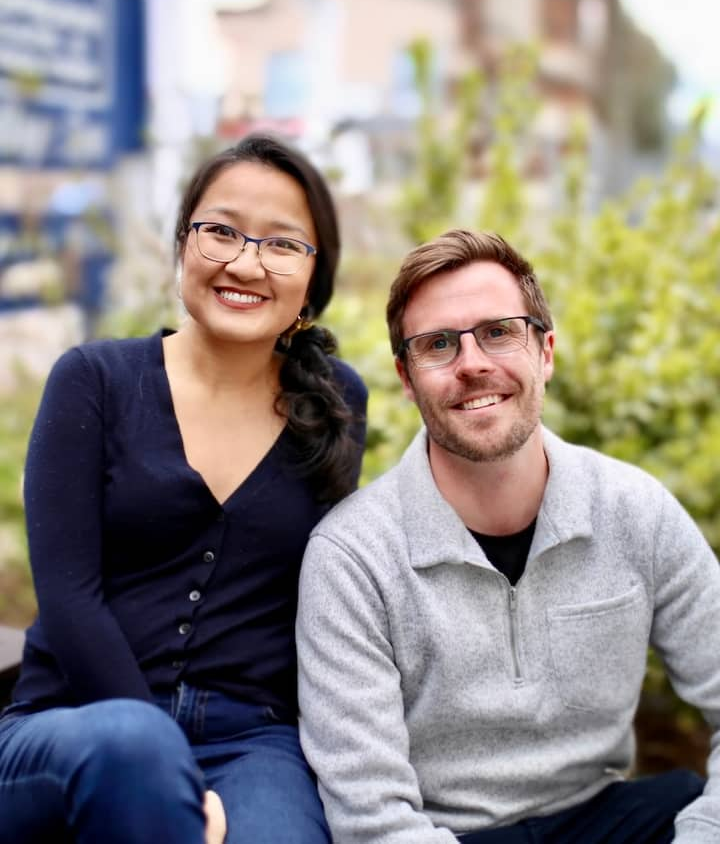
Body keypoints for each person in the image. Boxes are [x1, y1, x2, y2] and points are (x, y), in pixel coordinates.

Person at [0, 133, 367, 844]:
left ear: (313, 280)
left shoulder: (335, 403)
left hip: (250, 743)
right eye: (221, 231)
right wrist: (169, 773)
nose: (245, 261)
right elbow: (69, 598)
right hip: (77, 728)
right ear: (182, 245)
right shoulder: (93, 381)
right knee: (136, 752)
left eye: (282, 243)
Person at [296, 229, 720, 843]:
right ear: (407, 379)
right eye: (438, 344)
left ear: (545, 351)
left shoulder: (636, 512)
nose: (473, 363)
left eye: (499, 331)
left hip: (606, 818)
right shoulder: (352, 558)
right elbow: (374, 819)